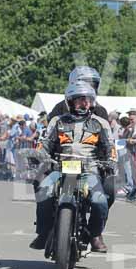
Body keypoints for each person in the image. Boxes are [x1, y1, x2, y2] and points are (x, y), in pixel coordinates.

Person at [30, 81, 114, 254]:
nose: (84, 103)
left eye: (88, 100)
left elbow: (110, 147)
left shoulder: (100, 123)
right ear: (70, 101)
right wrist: (40, 155)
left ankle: (95, 235)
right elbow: (44, 144)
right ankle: (43, 232)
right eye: (79, 100)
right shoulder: (57, 121)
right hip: (59, 169)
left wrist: (111, 161)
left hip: (89, 170)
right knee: (43, 190)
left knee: (100, 201)